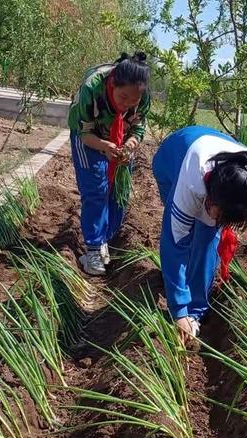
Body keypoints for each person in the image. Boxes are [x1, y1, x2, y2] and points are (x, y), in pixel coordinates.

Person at [152, 125, 247, 343]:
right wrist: (179, 311)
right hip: (172, 157)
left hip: (215, 159)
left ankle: (197, 310)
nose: (220, 221)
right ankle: (183, 301)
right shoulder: (190, 184)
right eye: (219, 214)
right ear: (209, 197)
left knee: (207, 237)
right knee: (184, 236)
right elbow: (173, 244)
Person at [68, 52, 151, 275]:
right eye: (123, 97)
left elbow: (138, 128)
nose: (126, 105)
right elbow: (84, 133)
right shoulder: (92, 88)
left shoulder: (142, 95)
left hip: (121, 139)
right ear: (113, 83)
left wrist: (131, 142)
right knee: (96, 189)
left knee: (119, 191)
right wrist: (104, 146)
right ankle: (93, 249)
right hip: (90, 136)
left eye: (132, 101)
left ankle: (106, 240)